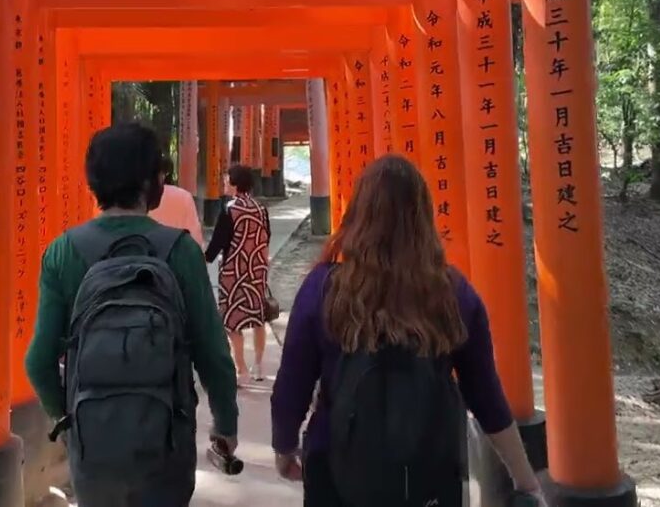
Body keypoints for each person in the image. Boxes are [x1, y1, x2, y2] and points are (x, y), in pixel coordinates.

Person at [270, 155, 546, 506]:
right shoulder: (454, 294)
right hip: (430, 473)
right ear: (423, 217)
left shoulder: (323, 288)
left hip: (336, 466)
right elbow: (486, 396)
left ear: (358, 213)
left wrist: (284, 446)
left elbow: (292, 381)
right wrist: (526, 481)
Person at [25, 122, 239, 506]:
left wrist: (69, 418)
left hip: (93, 447)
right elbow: (213, 353)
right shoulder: (181, 251)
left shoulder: (62, 252)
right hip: (166, 441)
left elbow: (39, 361)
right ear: (148, 181)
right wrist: (225, 425)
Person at [204, 164, 272, 384]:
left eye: (226, 182)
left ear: (234, 184)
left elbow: (218, 242)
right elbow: (266, 237)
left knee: (233, 320)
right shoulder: (261, 209)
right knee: (257, 317)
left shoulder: (229, 209)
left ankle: (240, 367)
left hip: (234, 271)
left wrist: (205, 257)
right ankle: (259, 365)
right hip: (256, 269)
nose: (225, 185)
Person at [149, 156, 205, 246]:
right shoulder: (184, 196)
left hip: (148, 252)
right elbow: (195, 238)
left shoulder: (143, 197)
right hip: (177, 251)